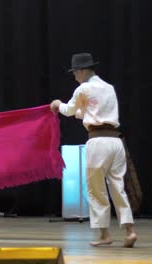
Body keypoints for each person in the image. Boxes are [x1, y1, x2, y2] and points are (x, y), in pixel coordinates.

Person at [50, 53, 137, 248]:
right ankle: (130, 231)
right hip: (116, 142)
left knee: (96, 189)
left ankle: (105, 234)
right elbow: (88, 112)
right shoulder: (109, 88)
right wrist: (78, 112)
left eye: (75, 73)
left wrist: (58, 105)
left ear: (81, 71)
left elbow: (70, 110)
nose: (74, 76)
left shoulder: (84, 88)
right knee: (118, 187)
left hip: (97, 142)